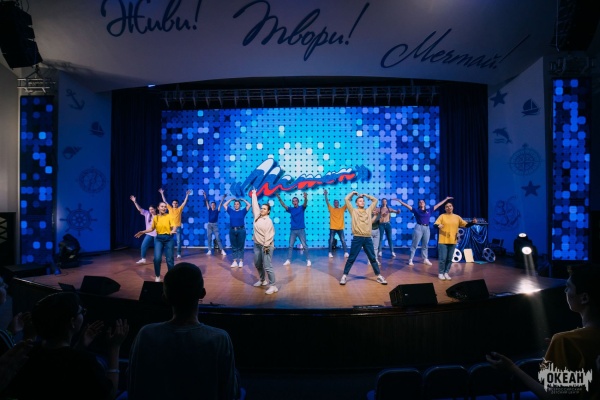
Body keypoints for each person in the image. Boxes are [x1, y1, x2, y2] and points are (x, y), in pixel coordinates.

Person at [487, 263, 600, 399]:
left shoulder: (565, 341)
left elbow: (553, 397)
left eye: (568, 287)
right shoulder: (570, 341)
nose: (565, 292)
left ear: (584, 298)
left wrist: (512, 368)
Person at [128, 262, 239, 400]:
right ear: (202, 293)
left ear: (164, 297)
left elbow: (134, 388)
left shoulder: (146, 335)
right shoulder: (219, 339)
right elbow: (229, 393)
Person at [3, 292, 129, 400]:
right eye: (81, 312)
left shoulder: (27, 354)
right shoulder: (85, 362)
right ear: (72, 322)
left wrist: (79, 346)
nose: (83, 314)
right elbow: (109, 395)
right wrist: (114, 348)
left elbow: (59, 366)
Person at [339, 191, 387, 286]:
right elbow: (346, 199)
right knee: (351, 258)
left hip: (367, 238)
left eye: (363, 201)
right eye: (360, 201)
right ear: (356, 203)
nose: (362, 202)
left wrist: (365, 195)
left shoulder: (368, 211)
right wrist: (352, 193)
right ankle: (344, 276)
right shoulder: (353, 211)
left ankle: (378, 276)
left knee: (372, 258)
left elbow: (375, 200)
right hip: (357, 238)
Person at [393, 196, 453, 266]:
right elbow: (407, 206)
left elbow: (438, 205)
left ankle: (425, 259)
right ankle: (411, 259)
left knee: (425, 245)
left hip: (427, 228)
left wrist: (446, 199)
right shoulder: (416, 210)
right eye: (420, 202)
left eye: (422, 202)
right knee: (415, 244)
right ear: (419, 204)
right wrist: (400, 202)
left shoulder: (429, 210)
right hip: (418, 227)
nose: (421, 203)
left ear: (424, 203)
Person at [135, 202, 177, 282]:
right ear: (158, 208)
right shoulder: (156, 217)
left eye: (165, 207)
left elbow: (174, 226)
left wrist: (173, 230)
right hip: (159, 239)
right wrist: (143, 232)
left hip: (168, 238)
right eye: (162, 206)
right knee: (157, 259)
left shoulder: (169, 216)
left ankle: (171, 277)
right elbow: (152, 228)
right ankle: (157, 276)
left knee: (169, 259)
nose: (164, 208)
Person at [434, 203, 476, 280]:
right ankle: (441, 273)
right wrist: (438, 226)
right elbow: (435, 224)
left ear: (452, 207)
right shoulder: (442, 216)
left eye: (450, 206)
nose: (448, 208)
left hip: (453, 241)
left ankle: (446, 273)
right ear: (445, 209)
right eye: (447, 207)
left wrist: (472, 223)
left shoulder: (457, 217)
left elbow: (465, 225)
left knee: (449, 259)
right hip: (443, 241)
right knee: (443, 258)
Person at [251, 189, 277, 295]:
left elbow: (269, 235)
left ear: (268, 211)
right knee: (257, 263)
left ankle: (273, 286)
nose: (262, 210)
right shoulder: (257, 216)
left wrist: (266, 246)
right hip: (257, 245)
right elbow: (254, 205)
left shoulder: (268, 221)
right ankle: (262, 280)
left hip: (266, 246)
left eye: (264, 209)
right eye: (261, 208)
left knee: (267, 266)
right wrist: (254, 194)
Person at [276, 192, 311, 267]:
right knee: (290, 246)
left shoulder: (301, 208)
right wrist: (279, 198)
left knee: (304, 246)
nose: (294, 202)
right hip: (293, 230)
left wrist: (305, 197)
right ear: (292, 202)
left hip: (301, 230)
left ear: (298, 202)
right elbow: (283, 205)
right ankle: (288, 260)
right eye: (293, 201)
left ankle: (308, 260)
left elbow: (305, 203)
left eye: (295, 201)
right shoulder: (291, 209)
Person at [158, 187, 192, 259]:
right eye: (174, 203)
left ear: (177, 204)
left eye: (176, 203)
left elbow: (184, 202)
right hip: (171, 227)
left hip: (178, 227)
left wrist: (187, 195)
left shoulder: (179, 209)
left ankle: (178, 253)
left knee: (179, 241)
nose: (175, 204)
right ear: (172, 204)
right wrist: (162, 193)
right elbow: (164, 201)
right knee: (169, 241)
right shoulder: (170, 208)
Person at [224, 196, 251, 268]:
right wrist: (231, 199)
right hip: (232, 230)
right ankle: (235, 261)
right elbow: (224, 205)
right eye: (235, 204)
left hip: (241, 230)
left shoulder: (243, 211)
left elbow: (249, 205)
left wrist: (243, 200)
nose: (236, 205)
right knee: (234, 246)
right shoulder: (231, 211)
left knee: (241, 246)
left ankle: (241, 261)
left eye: (237, 204)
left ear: (240, 205)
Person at [130, 195, 156, 264]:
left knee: (158, 248)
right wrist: (135, 202)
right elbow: (140, 209)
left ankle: (157, 259)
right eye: (150, 209)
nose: (151, 211)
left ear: (155, 209)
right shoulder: (147, 213)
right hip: (149, 233)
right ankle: (143, 259)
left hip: (157, 234)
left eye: (152, 209)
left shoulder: (158, 216)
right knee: (143, 246)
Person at [324, 189, 349, 258]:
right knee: (331, 240)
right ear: (334, 204)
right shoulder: (331, 209)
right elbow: (327, 202)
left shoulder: (342, 209)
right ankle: (330, 252)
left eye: (337, 202)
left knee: (343, 240)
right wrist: (325, 195)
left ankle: (346, 252)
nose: (336, 203)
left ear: (338, 204)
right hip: (333, 228)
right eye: (335, 203)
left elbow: (347, 203)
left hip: (340, 228)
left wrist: (350, 196)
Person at [202, 191, 227, 256]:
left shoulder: (217, 210)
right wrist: (205, 195)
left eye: (214, 205)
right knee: (209, 238)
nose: (212, 206)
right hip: (209, 225)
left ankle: (222, 250)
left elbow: (220, 204)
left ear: (215, 206)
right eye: (212, 205)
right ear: (211, 206)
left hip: (215, 225)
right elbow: (206, 202)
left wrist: (223, 198)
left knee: (218, 238)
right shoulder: (209, 210)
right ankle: (209, 250)